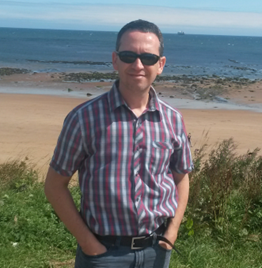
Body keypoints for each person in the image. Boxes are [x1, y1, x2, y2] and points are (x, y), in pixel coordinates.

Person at [45, 19, 193, 268]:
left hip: (156, 250)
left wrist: (172, 231)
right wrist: (89, 243)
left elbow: (181, 177)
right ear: (115, 60)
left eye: (148, 58)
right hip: (103, 254)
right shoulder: (84, 118)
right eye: (128, 56)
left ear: (161, 65)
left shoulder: (173, 119)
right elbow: (54, 185)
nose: (138, 65)